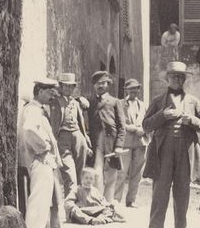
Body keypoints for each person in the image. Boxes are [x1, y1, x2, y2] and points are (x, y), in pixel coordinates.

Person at [142, 61, 200, 228]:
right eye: (174, 77)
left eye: (181, 77)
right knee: (160, 188)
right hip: (163, 150)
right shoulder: (158, 101)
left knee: (182, 189)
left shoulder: (193, 101)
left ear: (184, 80)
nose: (178, 80)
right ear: (167, 79)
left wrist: (192, 120)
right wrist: (162, 115)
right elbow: (146, 125)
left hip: (185, 151)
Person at [18, 77, 62, 228]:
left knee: (44, 197)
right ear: (41, 91)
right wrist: (43, 147)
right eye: (50, 92)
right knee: (38, 196)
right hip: (39, 159)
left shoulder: (39, 110)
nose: (52, 96)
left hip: (44, 160)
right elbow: (28, 130)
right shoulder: (33, 110)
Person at [90, 70, 123, 204]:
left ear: (108, 85)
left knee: (111, 174)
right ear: (94, 86)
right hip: (96, 142)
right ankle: (98, 201)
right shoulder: (90, 102)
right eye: (98, 84)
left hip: (112, 141)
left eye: (103, 83)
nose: (100, 86)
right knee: (97, 173)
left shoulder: (115, 102)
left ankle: (108, 203)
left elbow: (122, 126)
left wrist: (119, 145)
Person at [54, 72, 89, 196]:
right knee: (69, 174)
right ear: (61, 86)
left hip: (78, 138)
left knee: (80, 174)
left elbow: (81, 122)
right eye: (65, 86)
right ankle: (70, 207)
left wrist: (85, 141)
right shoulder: (55, 101)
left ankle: (78, 202)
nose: (68, 89)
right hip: (63, 139)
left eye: (71, 86)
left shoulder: (76, 102)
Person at [117, 77, 148, 207]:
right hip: (126, 142)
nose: (133, 91)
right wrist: (135, 129)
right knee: (122, 172)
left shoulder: (143, 105)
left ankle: (131, 200)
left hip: (141, 142)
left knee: (137, 173)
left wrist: (144, 129)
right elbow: (121, 122)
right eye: (130, 89)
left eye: (135, 89)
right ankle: (116, 200)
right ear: (126, 90)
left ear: (138, 90)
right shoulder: (120, 104)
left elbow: (148, 121)